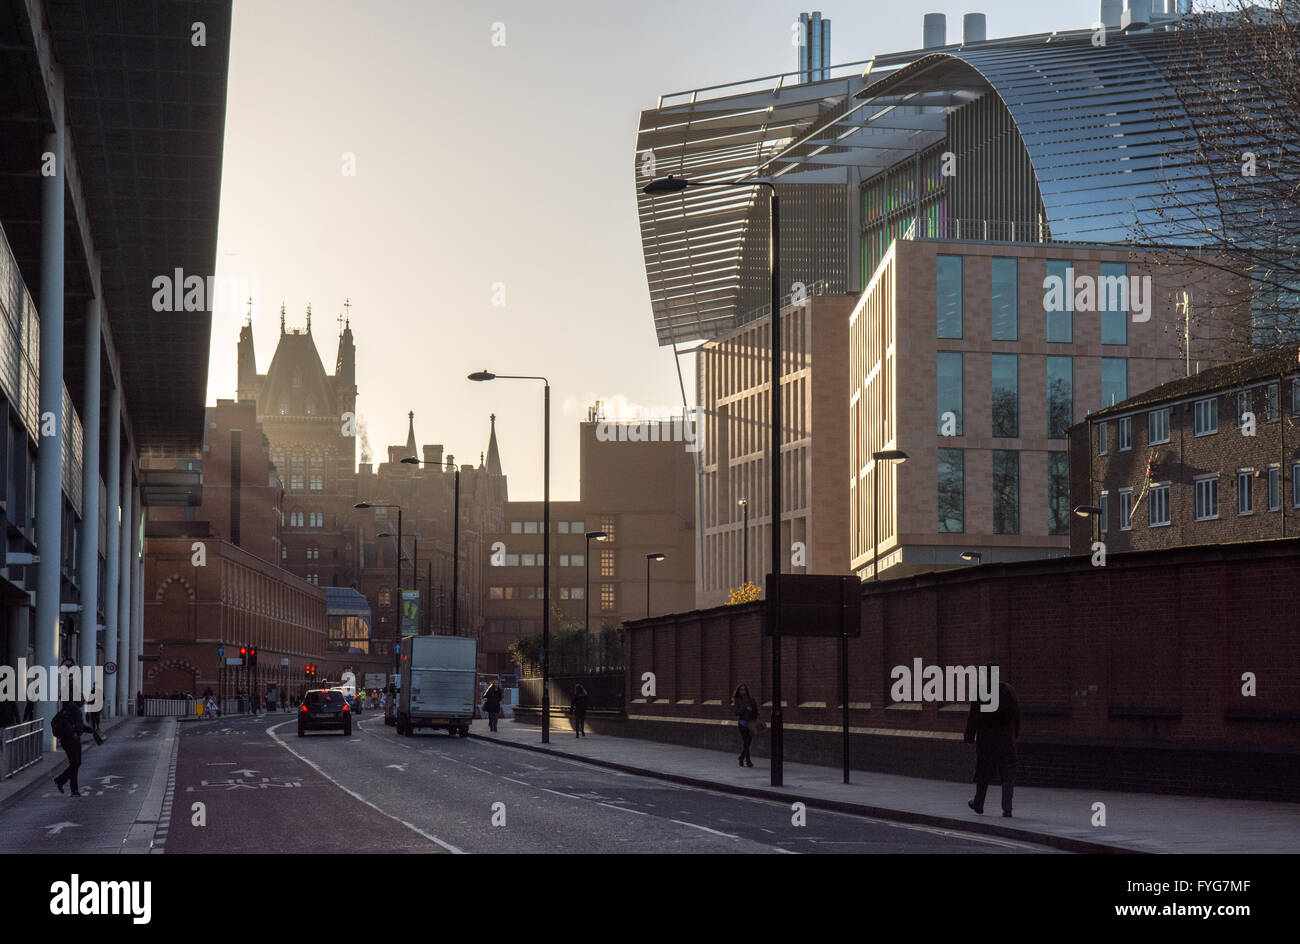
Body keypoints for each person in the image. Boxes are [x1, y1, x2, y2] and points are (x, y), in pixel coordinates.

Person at [965, 679, 1021, 818]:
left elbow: (973, 716)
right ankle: (1007, 808)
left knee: (983, 773)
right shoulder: (1009, 690)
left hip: (986, 740)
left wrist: (969, 736)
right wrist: (1016, 734)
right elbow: (1017, 714)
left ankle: (978, 803)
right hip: (1006, 739)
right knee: (1008, 774)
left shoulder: (980, 691)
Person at [52, 700, 88, 796]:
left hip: (70, 739)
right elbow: (66, 722)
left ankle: (72, 788)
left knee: (74, 764)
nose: (84, 701)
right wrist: (73, 733)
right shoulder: (73, 708)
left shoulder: (73, 708)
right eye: (82, 698)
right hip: (70, 740)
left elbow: (79, 725)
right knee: (75, 763)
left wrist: (91, 730)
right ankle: (61, 781)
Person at [732, 683, 759, 768]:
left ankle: (741, 757)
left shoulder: (751, 699)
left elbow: (756, 710)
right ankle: (748, 761)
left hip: (751, 723)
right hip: (742, 723)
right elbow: (736, 712)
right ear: (738, 691)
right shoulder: (737, 700)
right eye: (741, 689)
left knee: (748, 742)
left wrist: (753, 711)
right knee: (746, 741)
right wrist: (745, 708)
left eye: (744, 689)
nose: (743, 691)